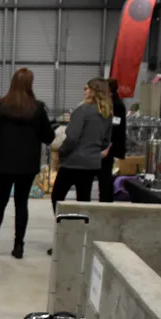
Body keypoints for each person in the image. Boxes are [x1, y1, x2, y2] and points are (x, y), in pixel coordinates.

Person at [0, 68, 55, 259]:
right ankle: (19, 246)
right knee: (21, 204)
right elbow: (48, 137)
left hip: (4, 162)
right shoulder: (37, 108)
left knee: (0, 202)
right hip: (27, 164)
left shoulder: (0, 105)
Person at [51, 78, 113, 216]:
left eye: (87, 88)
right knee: (83, 200)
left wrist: (62, 151)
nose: (84, 91)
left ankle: (63, 223)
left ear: (94, 91)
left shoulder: (82, 110)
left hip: (73, 161)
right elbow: (105, 140)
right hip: (91, 163)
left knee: (57, 196)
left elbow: (72, 137)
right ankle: (81, 227)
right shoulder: (107, 114)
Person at [99, 78, 127, 203]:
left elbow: (116, 128)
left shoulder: (117, 104)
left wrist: (108, 147)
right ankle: (104, 198)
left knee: (105, 176)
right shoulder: (110, 102)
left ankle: (106, 200)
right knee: (103, 175)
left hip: (110, 146)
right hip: (107, 144)